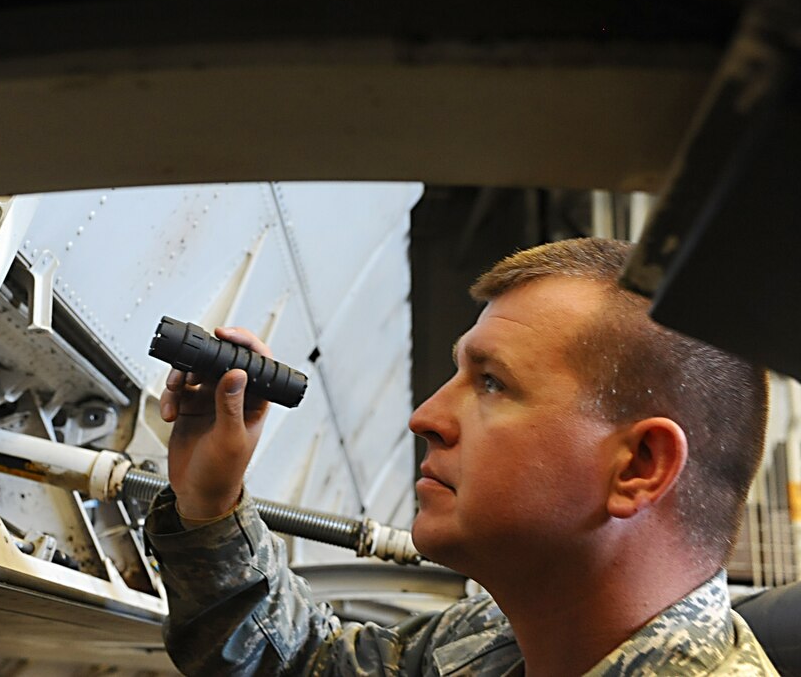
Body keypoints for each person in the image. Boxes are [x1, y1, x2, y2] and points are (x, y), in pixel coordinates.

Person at [143, 237, 778, 676]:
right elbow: (314, 665)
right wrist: (209, 502)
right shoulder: (510, 637)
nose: (426, 418)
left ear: (639, 467)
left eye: (493, 383)